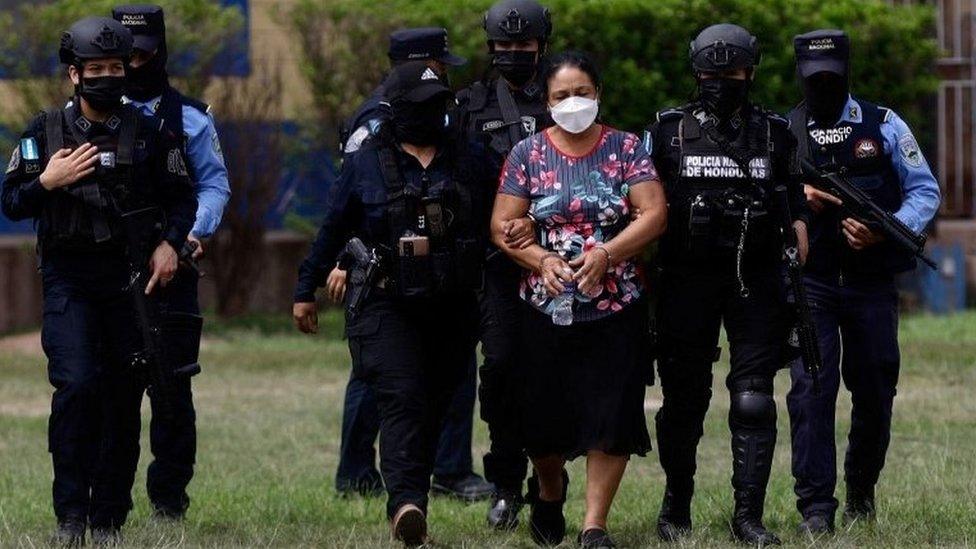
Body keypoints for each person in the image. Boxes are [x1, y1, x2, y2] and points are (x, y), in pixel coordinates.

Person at [1, 16, 195, 545]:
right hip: (69, 280)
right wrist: (48, 180)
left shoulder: (152, 132)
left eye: (116, 66)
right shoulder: (44, 133)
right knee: (77, 386)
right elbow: (12, 201)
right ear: (74, 75)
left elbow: (184, 199)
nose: (108, 76)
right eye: (97, 69)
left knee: (123, 396)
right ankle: (70, 515)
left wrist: (169, 243)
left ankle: (108, 517)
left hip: (130, 280)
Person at [292, 61, 487, 546]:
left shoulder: (471, 158)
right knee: (403, 398)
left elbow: (502, 215)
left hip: (452, 305)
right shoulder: (366, 163)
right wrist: (305, 289)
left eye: (438, 104)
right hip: (386, 304)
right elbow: (333, 228)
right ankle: (406, 504)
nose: (431, 114)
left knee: (437, 405)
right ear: (395, 110)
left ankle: (411, 494)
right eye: (420, 107)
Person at [644, 23, 810, 545]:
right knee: (684, 399)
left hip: (754, 278)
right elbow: (640, 202)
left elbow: (796, 202)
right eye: (712, 72)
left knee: (754, 399)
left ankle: (748, 517)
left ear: (751, 72)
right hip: (685, 280)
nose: (722, 80)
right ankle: (676, 506)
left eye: (732, 71)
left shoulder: (775, 132)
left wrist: (797, 232)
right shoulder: (666, 131)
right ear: (696, 72)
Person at [492, 51, 666, 548]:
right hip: (544, 309)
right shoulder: (527, 154)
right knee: (541, 420)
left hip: (616, 305)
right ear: (546, 103)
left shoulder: (627, 148)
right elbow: (502, 228)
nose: (573, 103)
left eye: (582, 93)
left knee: (612, 413)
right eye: (561, 95)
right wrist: (539, 259)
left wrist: (609, 253)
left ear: (599, 94)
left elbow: (653, 213)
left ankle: (595, 525)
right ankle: (549, 489)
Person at [786, 30, 941, 535]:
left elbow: (924, 191)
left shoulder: (885, 124)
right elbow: (762, 193)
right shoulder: (784, 131)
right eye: (814, 80)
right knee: (812, 389)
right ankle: (815, 508)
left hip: (871, 283)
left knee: (875, 387)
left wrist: (884, 228)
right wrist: (798, 196)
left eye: (831, 78)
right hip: (812, 283)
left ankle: (860, 489)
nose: (822, 87)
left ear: (847, 71)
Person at [330, 27, 492, 501]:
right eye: (440, 63)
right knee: (377, 376)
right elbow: (357, 200)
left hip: (438, 270)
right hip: (382, 270)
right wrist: (345, 260)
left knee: (438, 370)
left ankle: (445, 467)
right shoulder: (379, 121)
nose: (444, 72)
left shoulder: (433, 110)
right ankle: (359, 472)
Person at [99, 4, 230, 522]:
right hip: (108, 272)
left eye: (142, 54)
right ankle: (107, 501)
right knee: (113, 391)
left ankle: (169, 500)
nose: (132, 64)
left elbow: (214, 185)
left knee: (172, 389)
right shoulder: (87, 114)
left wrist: (191, 237)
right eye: (121, 55)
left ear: (160, 53)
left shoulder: (191, 119)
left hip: (174, 269)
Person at [455, 0, 553, 529]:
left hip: (559, 263)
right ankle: (505, 486)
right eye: (505, 47)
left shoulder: (564, 99)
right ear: (491, 48)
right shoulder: (468, 107)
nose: (515, 55)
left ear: (542, 45)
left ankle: (549, 485)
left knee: (553, 374)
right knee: (501, 372)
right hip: (495, 266)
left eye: (524, 46)